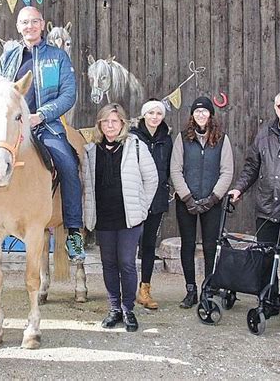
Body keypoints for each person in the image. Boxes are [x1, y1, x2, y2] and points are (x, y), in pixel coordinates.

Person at [0, 6, 85, 262]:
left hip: (43, 125)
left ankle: (74, 231)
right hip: (9, 126)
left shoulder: (58, 57)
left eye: (34, 21)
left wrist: (40, 115)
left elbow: (69, 95)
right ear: (19, 27)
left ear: (42, 24)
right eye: (25, 22)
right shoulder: (9, 57)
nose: (30, 26)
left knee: (68, 163)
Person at [83, 103, 158, 331]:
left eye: (114, 121)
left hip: (129, 218)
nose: (110, 125)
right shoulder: (91, 151)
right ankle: (114, 307)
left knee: (126, 263)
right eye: (105, 121)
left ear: (123, 123)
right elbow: (86, 185)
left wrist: (142, 207)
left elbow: (152, 179)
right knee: (108, 264)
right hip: (104, 217)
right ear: (100, 125)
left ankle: (128, 309)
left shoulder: (135, 146)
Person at [229, 91, 280, 307]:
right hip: (267, 208)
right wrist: (239, 189)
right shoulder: (265, 135)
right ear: (275, 108)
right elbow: (252, 166)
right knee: (265, 257)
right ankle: (269, 300)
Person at [170, 97, 233, 308]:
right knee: (187, 245)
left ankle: (208, 288)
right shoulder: (182, 138)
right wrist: (187, 197)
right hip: (186, 201)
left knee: (210, 246)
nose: (201, 115)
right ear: (192, 115)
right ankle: (191, 290)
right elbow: (175, 169)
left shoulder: (222, 140)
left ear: (210, 114)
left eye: (204, 111)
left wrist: (213, 198)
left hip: (212, 202)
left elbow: (227, 171)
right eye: (197, 112)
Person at [130, 99, 173, 310]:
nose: (155, 117)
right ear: (143, 115)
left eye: (159, 113)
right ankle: (126, 288)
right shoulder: (132, 138)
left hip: (156, 198)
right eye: (151, 113)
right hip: (134, 198)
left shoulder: (167, 140)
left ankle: (144, 288)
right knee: (129, 244)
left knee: (148, 245)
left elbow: (170, 167)